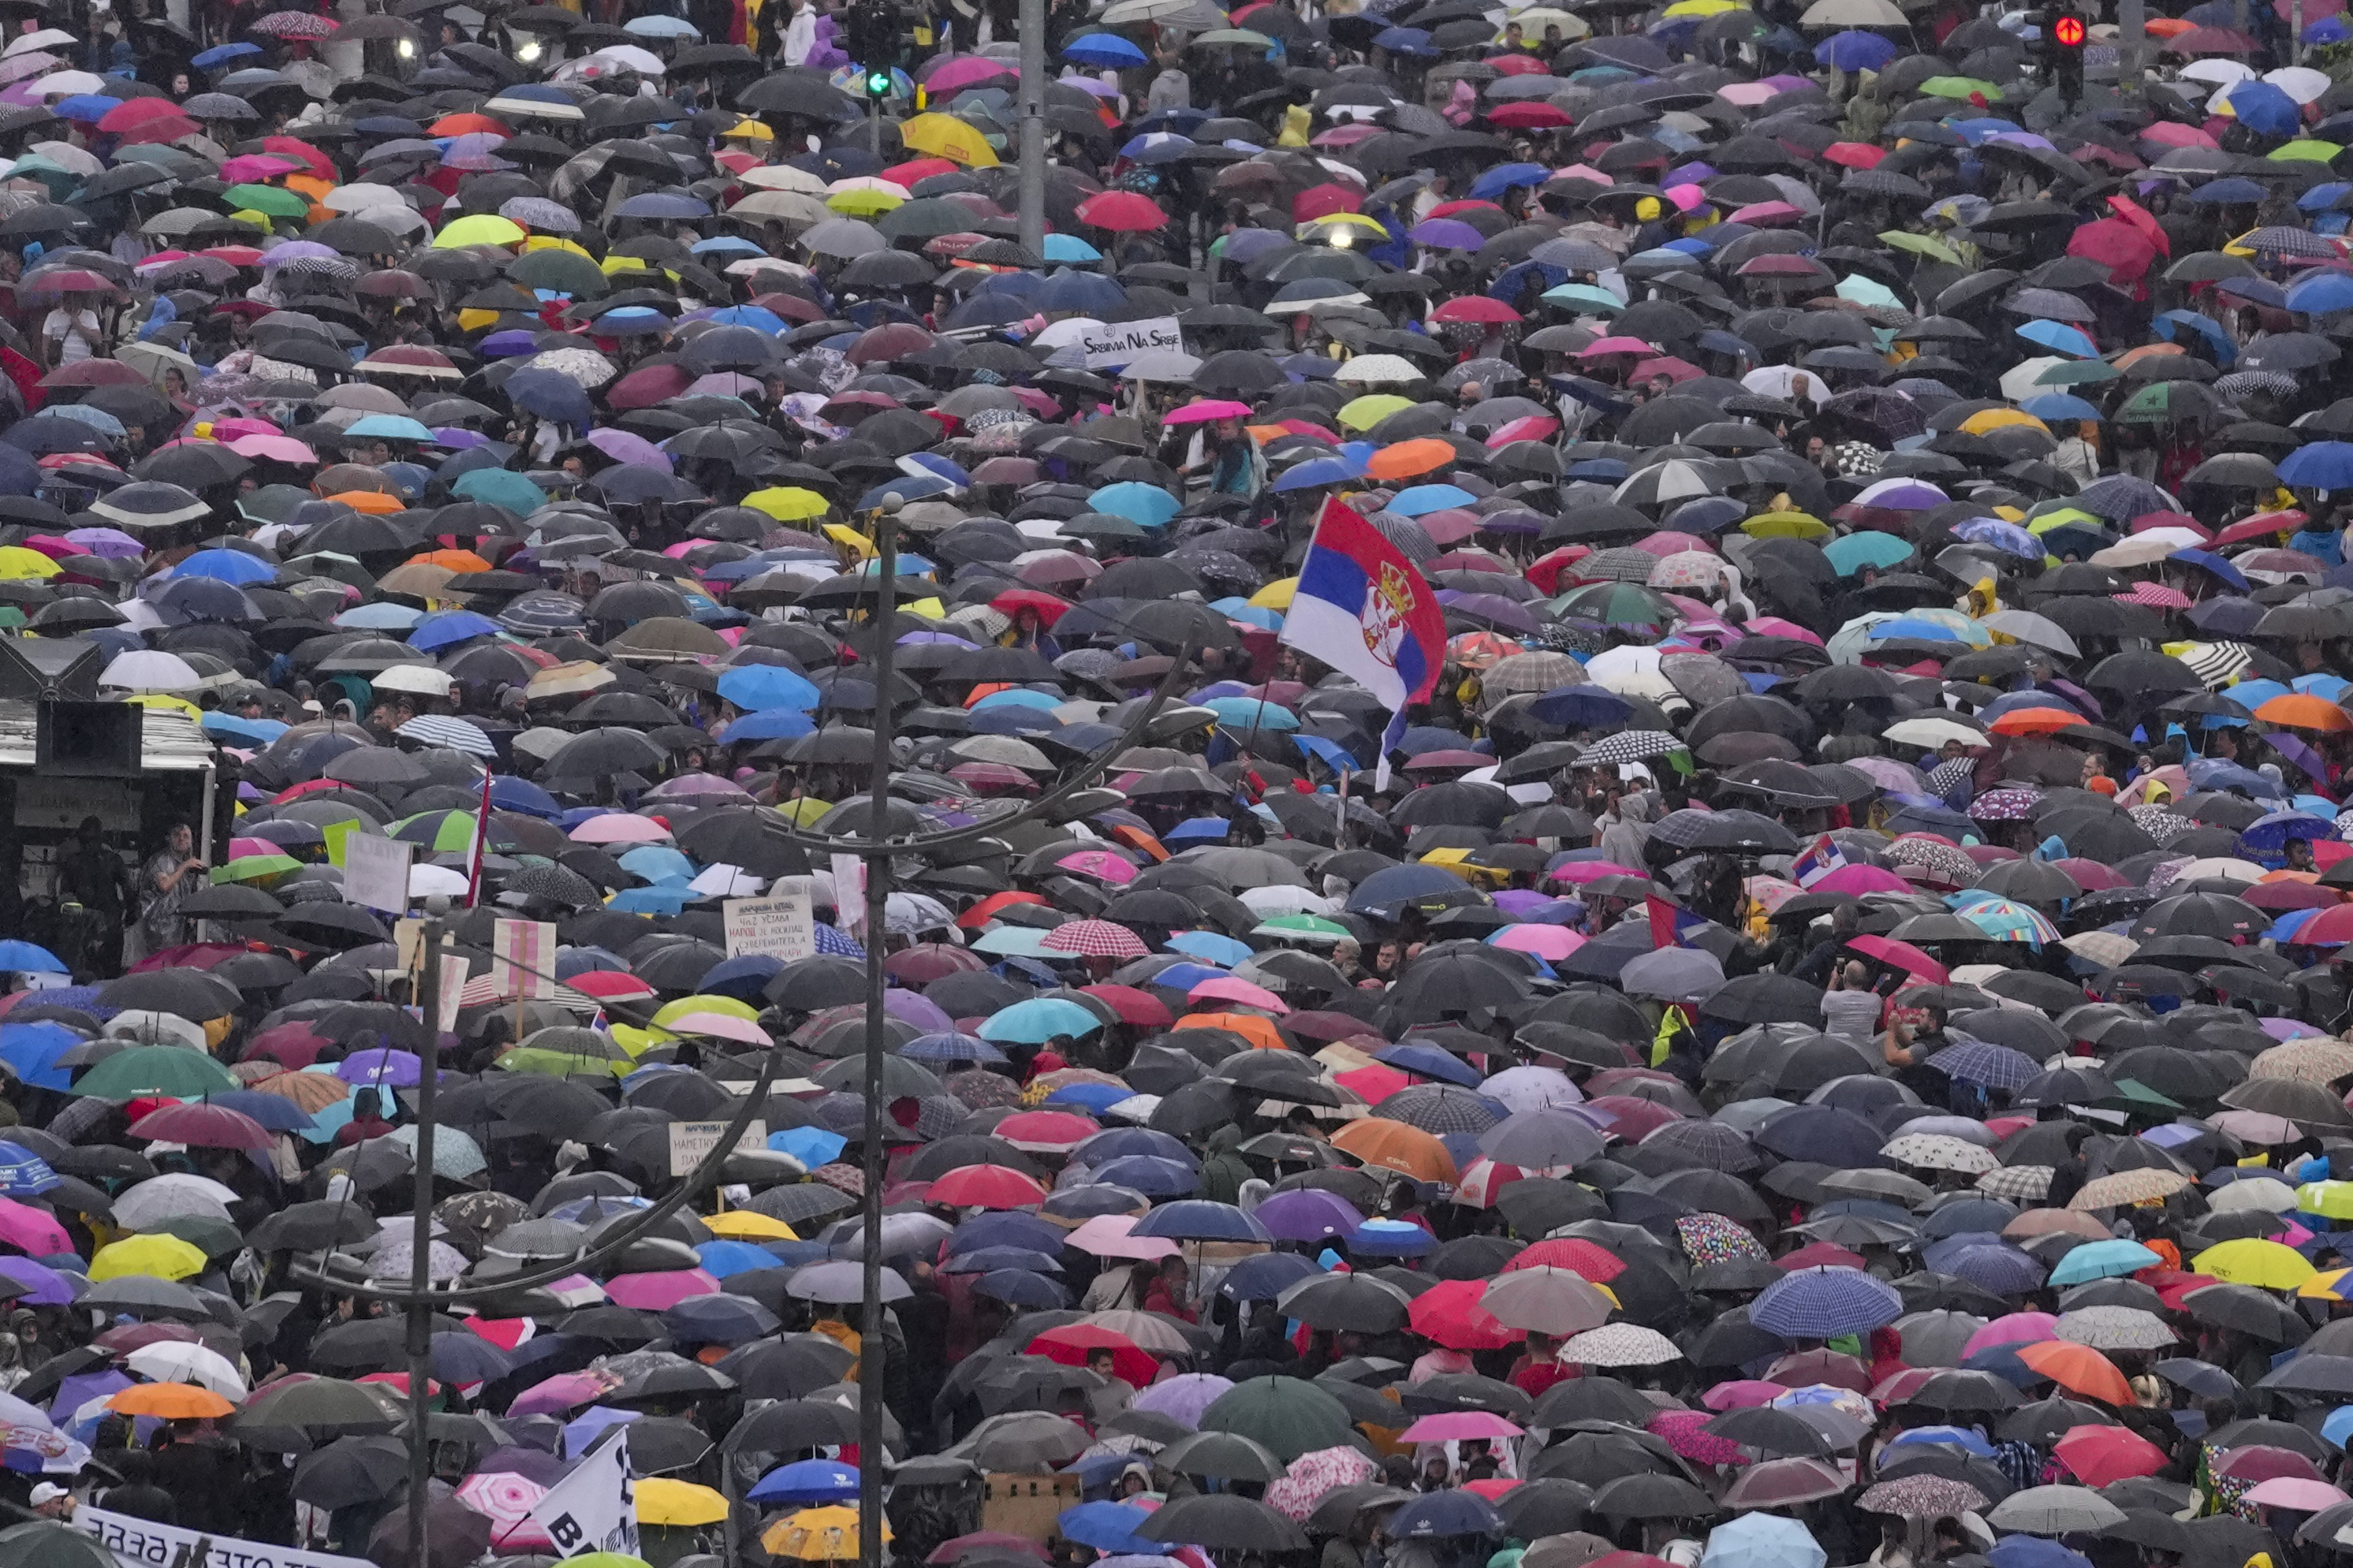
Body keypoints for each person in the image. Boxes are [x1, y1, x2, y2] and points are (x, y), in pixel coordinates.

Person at [56, 817, 133, 980]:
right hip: (108, 924)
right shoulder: (113, 860)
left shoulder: (73, 862)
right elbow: (129, 890)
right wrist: (131, 913)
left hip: (84, 924)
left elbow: (65, 897)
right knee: (110, 975)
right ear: (101, 837)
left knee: (82, 974)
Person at [132, 821, 203, 965]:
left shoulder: (188, 862)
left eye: (186, 836)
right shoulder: (162, 860)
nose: (182, 839)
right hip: (159, 927)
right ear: (169, 839)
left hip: (178, 927)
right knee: (158, 965)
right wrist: (184, 867)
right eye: (177, 835)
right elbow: (164, 885)